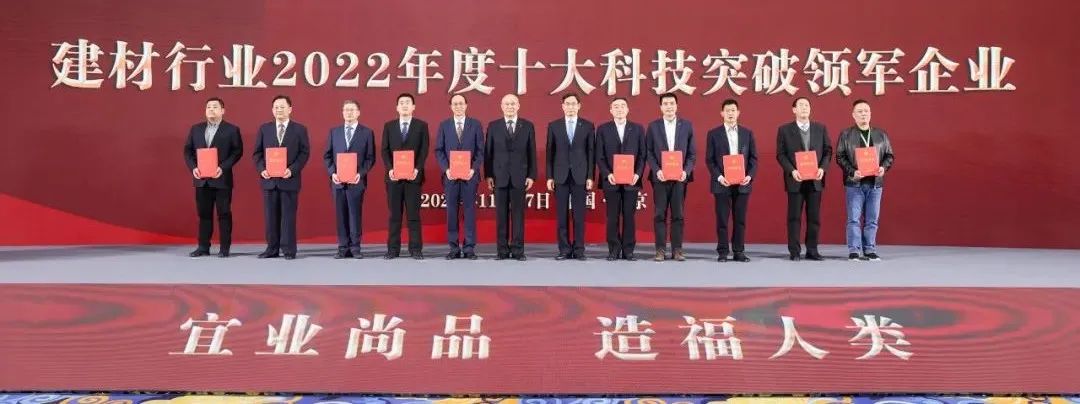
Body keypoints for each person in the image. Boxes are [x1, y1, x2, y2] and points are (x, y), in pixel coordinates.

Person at [835, 99, 896, 261]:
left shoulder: (881, 135)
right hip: (854, 183)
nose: (863, 114)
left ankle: (869, 249)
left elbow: (889, 155)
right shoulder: (846, 134)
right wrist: (852, 172)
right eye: (860, 111)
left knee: (872, 219)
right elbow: (840, 157)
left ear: (870, 114)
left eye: (866, 111)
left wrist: (883, 167)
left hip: (875, 184)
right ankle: (854, 250)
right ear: (853, 115)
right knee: (853, 219)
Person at [183, 97, 243, 258]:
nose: (211, 109)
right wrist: (193, 168)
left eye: (215, 107)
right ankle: (203, 246)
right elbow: (188, 151)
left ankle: (224, 248)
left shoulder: (231, 130)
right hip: (201, 180)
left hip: (222, 179)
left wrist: (222, 168)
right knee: (204, 214)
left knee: (224, 214)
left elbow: (237, 152)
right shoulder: (196, 129)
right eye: (208, 107)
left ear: (223, 110)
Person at [775, 97, 831, 261]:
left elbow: (828, 151)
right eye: (801, 105)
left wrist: (822, 168)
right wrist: (792, 171)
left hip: (815, 180)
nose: (804, 108)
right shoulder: (784, 130)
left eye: (807, 105)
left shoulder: (820, 128)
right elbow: (780, 154)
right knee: (794, 217)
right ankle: (794, 251)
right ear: (794, 110)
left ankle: (812, 250)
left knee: (814, 218)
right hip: (795, 179)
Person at [484, 94, 537, 261]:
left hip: (519, 176)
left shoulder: (527, 126)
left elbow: (531, 152)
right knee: (501, 216)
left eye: (513, 103)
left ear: (518, 106)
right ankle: (502, 251)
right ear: (501, 106)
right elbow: (488, 153)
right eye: (506, 104)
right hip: (499, 176)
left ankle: (518, 250)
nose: (510, 106)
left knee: (518, 216)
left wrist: (531, 175)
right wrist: (488, 175)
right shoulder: (493, 126)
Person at [645, 93, 696, 262]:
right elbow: (649, 152)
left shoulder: (686, 126)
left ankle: (677, 250)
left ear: (677, 106)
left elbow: (692, 154)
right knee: (660, 214)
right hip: (660, 177)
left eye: (672, 103)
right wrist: (656, 170)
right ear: (661, 107)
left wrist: (686, 171)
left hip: (680, 178)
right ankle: (660, 250)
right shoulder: (653, 126)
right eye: (665, 104)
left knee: (678, 215)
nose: (669, 106)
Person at [706, 99, 757, 262]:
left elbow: (753, 159)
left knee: (740, 219)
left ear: (738, 113)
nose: (730, 113)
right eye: (727, 110)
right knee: (722, 219)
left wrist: (749, 176)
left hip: (742, 184)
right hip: (722, 183)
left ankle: (738, 251)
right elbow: (710, 160)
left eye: (733, 110)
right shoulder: (713, 133)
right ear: (722, 113)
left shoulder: (747, 133)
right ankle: (722, 252)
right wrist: (719, 177)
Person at [595, 97, 646, 261]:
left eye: (623, 106)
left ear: (628, 109)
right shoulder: (603, 129)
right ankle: (614, 249)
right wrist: (607, 173)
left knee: (629, 216)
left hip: (632, 180)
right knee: (612, 216)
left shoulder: (637, 129)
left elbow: (642, 155)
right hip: (611, 180)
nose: (619, 109)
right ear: (611, 110)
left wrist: (637, 174)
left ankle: (628, 250)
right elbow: (599, 155)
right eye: (616, 106)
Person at [323, 100, 375, 259]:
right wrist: (332, 173)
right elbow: (327, 156)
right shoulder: (334, 132)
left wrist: (361, 173)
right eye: (346, 110)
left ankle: (355, 248)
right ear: (342, 112)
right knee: (340, 216)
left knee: (355, 215)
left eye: (352, 110)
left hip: (356, 182)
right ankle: (342, 247)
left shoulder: (367, 132)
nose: (349, 113)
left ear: (358, 112)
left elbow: (370, 158)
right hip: (337, 182)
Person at [546, 93, 595, 261]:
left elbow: (591, 152)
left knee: (579, 215)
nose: (571, 107)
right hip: (560, 176)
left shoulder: (587, 126)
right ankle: (564, 249)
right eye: (567, 104)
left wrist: (590, 176)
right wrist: (550, 176)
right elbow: (550, 153)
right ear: (562, 106)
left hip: (580, 176)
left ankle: (579, 249)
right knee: (562, 215)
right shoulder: (554, 126)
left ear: (579, 106)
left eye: (574, 104)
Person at [434, 94, 484, 260]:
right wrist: (446, 169)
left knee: (469, 212)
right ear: (451, 107)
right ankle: (453, 248)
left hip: (470, 176)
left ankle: (469, 248)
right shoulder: (444, 125)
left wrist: (473, 169)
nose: (458, 106)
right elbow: (439, 150)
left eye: (461, 103)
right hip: (451, 177)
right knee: (451, 213)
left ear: (466, 105)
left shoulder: (475, 124)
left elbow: (480, 151)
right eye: (455, 104)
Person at [381, 93, 430, 260]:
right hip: (393, 178)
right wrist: (390, 169)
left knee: (413, 216)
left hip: (413, 178)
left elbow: (424, 150)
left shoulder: (421, 126)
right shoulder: (389, 126)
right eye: (401, 102)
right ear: (397, 107)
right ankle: (392, 249)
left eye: (408, 102)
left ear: (413, 107)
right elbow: (384, 150)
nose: (404, 105)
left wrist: (417, 169)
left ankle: (416, 249)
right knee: (394, 215)